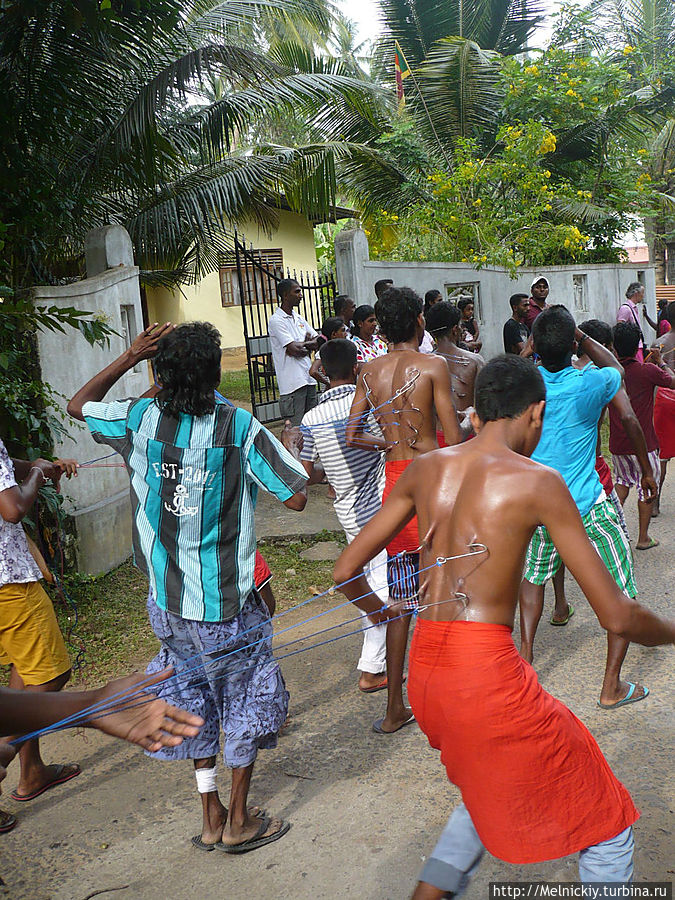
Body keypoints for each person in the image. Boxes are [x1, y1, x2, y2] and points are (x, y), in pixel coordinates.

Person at [333, 355, 675, 897]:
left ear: (478, 412)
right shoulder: (538, 481)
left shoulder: (426, 468)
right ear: (535, 412)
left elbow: (345, 570)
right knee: (606, 824)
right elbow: (617, 615)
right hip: (483, 676)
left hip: (426, 673)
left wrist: (384, 614)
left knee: (486, 787)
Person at [68, 321, 312, 855]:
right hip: (225, 604)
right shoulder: (240, 427)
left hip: (167, 603)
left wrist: (132, 357)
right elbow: (295, 496)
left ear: (159, 374)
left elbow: (78, 404)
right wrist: (291, 445)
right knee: (244, 698)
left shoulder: (138, 418)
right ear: (212, 376)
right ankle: (240, 820)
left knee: (192, 697)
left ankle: (210, 814)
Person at [519, 307, 656, 709]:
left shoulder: (526, 388)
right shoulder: (591, 383)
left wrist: (531, 352)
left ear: (537, 348)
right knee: (621, 592)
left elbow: (505, 373)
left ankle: (526, 658)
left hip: (540, 509)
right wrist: (646, 471)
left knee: (533, 578)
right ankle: (611, 687)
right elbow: (624, 400)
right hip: (589, 507)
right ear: (575, 343)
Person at [346, 287, 461, 734]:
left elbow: (354, 432)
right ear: (418, 319)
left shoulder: (368, 370)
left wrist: (393, 445)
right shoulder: (434, 365)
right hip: (433, 484)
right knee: (449, 589)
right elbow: (452, 436)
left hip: (394, 489)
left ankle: (395, 708)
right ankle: (452, 699)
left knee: (401, 598)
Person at [299, 339, 390, 694]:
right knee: (381, 586)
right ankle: (372, 669)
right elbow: (390, 443)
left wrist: (333, 474)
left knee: (367, 583)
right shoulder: (366, 405)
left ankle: (377, 661)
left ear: (322, 370)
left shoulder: (310, 418)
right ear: (356, 368)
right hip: (378, 509)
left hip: (348, 513)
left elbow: (306, 473)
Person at [0, 443, 80, 831]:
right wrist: (35, 477)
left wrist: (37, 466)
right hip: (8, 584)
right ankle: (3, 756)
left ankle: (31, 772)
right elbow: (12, 509)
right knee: (49, 674)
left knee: (25, 668)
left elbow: (6, 465)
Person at [609, 321, 675, 549]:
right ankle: (643, 537)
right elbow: (673, 382)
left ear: (613, 348)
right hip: (644, 443)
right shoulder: (647, 371)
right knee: (647, 483)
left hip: (618, 443)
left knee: (621, 483)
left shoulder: (610, 374)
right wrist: (661, 362)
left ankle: (614, 532)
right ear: (638, 344)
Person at [426, 302, 483, 442]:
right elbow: (484, 407)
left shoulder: (423, 364)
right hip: (467, 439)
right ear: (455, 330)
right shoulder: (474, 361)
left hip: (433, 441)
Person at [268, 278, 320, 425]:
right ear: (285, 295)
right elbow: (294, 349)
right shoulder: (276, 320)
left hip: (308, 380)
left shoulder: (298, 318)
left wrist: (304, 345)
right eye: (297, 292)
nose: (301, 295)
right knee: (295, 430)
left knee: (313, 427)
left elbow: (319, 339)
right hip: (292, 384)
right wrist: (307, 345)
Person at [653, 302, 675, 511]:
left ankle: (655, 502)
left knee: (663, 456)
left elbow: (652, 372)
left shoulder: (659, 343)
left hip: (664, 398)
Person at [309, 317, 348, 387]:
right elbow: (313, 371)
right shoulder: (325, 352)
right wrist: (328, 384)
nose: (346, 334)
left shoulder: (341, 350)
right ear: (334, 334)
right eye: (343, 331)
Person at [616, 281, 646, 362]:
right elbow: (620, 327)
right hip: (633, 347)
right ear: (636, 293)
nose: (643, 296)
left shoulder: (633, 308)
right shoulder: (626, 309)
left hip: (637, 345)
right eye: (642, 293)